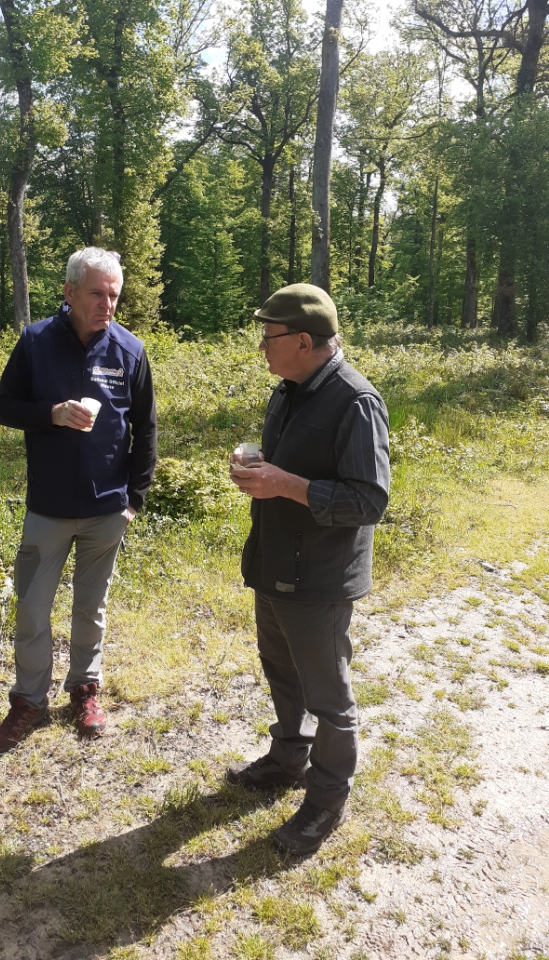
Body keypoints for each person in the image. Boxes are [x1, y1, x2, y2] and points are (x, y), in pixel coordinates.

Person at [227, 283, 390, 855]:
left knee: (328, 695)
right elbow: (288, 472)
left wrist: (284, 484)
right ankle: (287, 757)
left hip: (319, 577)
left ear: (302, 340)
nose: (262, 346)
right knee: (281, 671)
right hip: (273, 564)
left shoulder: (355, 401)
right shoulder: (287, 391)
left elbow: (369, 501)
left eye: (268, 336)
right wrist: (258, 469)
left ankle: (324, 802)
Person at [0, 247, 157, 752]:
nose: (107, 304)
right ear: (69, 293)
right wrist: (52, 414)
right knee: (32, 610)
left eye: (114, 295)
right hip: (48, 509)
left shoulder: (130, 350)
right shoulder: (36, 342)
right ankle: (28, 701)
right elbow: (3, 407)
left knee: (91, 608)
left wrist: (135, 499)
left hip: (107, 509)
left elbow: (145, 430)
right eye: (97, 294)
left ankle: (85, 689)